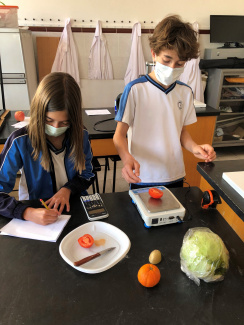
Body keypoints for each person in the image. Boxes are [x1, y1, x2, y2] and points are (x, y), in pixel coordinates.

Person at [113, 15, 216, 189]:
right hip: (143, 174)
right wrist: (126, 158)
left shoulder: (185, 92)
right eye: (166, 60)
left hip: (174, 173)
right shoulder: (135, 89)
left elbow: (181, 132)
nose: (171, 68)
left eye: (179, 64)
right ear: (154, 54)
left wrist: (195, 147)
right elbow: (119, 136)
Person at [0, 72, 94, 225]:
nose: (56, 127)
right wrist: (26, 212)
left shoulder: (80, 134)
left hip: (73, 207)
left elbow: (87, 173)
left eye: (65, 123)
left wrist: (67, 189)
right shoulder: (20, 141)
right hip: (35, 211)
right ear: (38, 112)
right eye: (49, 120)